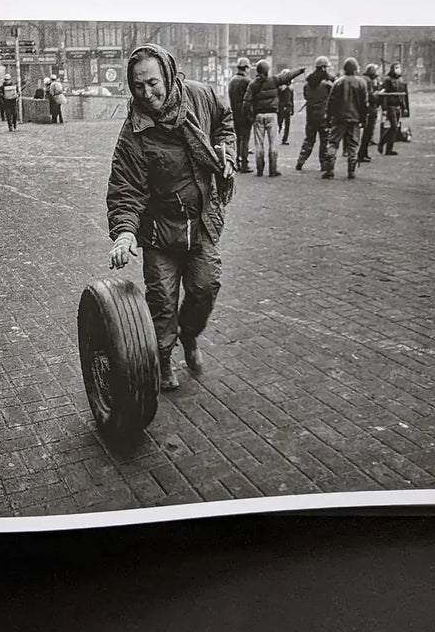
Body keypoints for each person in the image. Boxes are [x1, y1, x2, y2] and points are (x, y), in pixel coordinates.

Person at [107, 44, 235, 391]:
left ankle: (189, 335)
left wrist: (227, 152)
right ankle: (163, 357)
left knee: (204, 290)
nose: (147, 94)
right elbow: (125, 187)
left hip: (202, 224)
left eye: (152, 83)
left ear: (168, 75)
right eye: (137, 86)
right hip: (159, 232)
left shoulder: (199, 96)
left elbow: (225, 122)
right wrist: (124, 233)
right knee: (161, 300)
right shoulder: (134, 131)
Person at [244, 60, 303, 176]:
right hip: (272, 115)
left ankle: (260, 170)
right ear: (267, 70)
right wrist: (300, 71)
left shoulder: (253, 84)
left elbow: (246, 102)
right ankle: (273, 170)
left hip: (258, 115)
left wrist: (249, 116)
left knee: (259, 144)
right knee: (273, 143)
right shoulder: (274, 80)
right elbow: (287, 76)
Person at [323, 57, 370, 178]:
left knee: (333, 143)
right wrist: (364, 119)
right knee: (353, 145)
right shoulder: (361, 83)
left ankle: (329, 170)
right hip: (355, 118)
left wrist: (328, 118)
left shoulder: (338, 82)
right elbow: (364, 103)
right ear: (355, 69)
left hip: (339, 118)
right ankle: (351, 171)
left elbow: (331, 102)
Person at [296, 56, 335, 171]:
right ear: (323, 67)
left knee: (309, 139)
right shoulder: (328, 83)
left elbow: (306, 96)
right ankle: (323, 164)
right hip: (324, 115)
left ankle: (301, 160)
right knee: (324, 140)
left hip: (311, 114)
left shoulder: (308, 84)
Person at [227, 57, 253, 173]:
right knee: (245, 140)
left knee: (237, 139)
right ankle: (244, 164)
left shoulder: (232, 80)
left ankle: (236, 161)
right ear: (246, 68)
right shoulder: (248, 81)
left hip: (234, 114)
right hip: (245, 115)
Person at [378, 61, 409, 154]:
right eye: (396, 67)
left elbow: (403, 96)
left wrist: (404, 107)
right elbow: (384, 94)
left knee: (395, 128)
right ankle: (382, 143)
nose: (398, 69)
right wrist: (384, 108)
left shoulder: (400, 80)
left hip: (398, 106)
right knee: (394, 127)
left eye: (399, 67)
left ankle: (388, 149)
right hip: (391, 106)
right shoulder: (388, 80)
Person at [356, 63, 380, 164]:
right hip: (369, 110)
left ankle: (361, 154)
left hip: (363, 109)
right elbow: (370, 96)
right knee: (367, 134)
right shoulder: (369, 81)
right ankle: (362, 154)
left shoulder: (363, 79)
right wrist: (378, 96)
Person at [276, 72, 295, 144]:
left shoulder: (281, 88)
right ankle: (283, 139)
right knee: (282, 124)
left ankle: (282, 139)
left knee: (282, 123)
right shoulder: (287, 88)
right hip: (284, 106)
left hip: (283, 106)